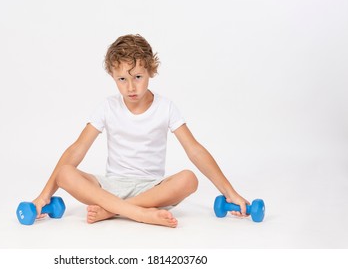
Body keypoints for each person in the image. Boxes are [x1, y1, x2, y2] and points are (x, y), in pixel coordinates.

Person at [32, 34, 249, 228]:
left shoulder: (166, 107)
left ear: (150, 71)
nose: (131, 87)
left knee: (189, 179)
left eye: (137, 77)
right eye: (122, 79)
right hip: (110, 187)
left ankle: (113, 211)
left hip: (153, 190)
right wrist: (44, 196)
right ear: (113, 76)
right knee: (65, 173)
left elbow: (195, 150)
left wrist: (230, 193)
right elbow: (77, 150)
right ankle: (138, 213)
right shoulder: (107, 106)